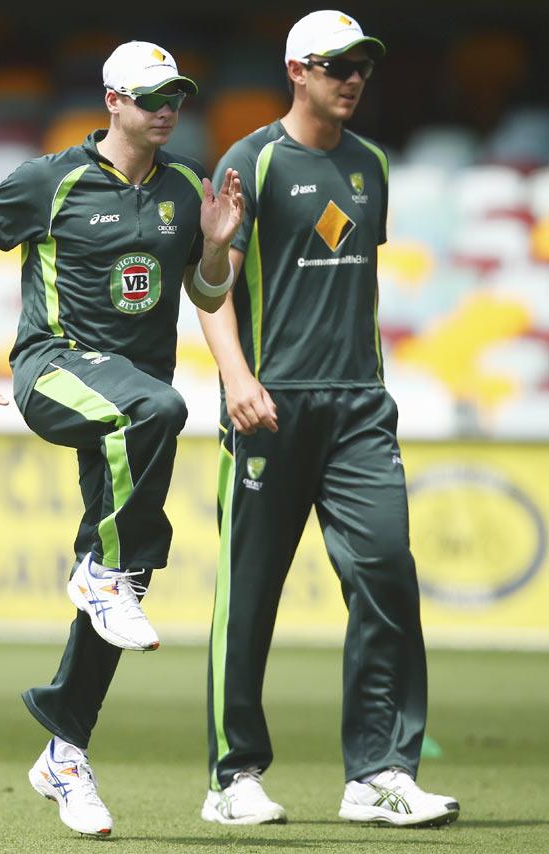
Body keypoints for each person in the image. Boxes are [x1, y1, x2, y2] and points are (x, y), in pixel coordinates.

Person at [0, 39, 243, 838]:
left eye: (175, 93)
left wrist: (214, 249)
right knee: (163, 415)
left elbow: (207, 293)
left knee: (129, 580)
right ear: (112, 101)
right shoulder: (53, 179)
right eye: (150, 97)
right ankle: (102, 569)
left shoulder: (186, 185)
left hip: (130, 402)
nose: (167, 107)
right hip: (54, 371)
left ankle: (63, 752)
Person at [197, 10, 460, 828]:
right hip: (270, 406)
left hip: (359, 411)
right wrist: (237, 378)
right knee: (251, 598)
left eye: (363, 66)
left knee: (386, 574)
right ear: (297, 71)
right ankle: (232, 778)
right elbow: (209, 292)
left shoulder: (372, 163)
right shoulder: (253, 161)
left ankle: (377, 773)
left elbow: (349, 285)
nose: (355, 78)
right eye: (338, 65)